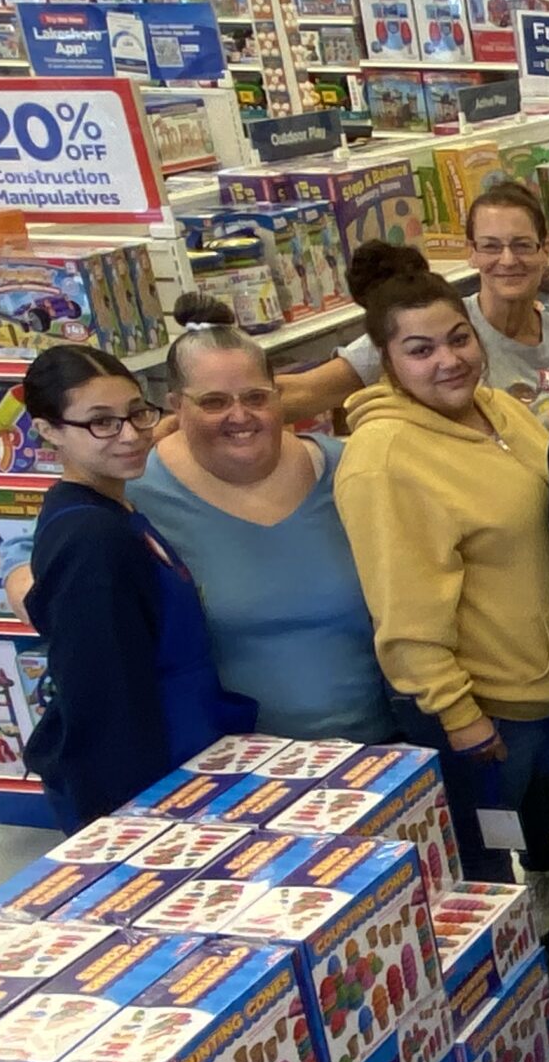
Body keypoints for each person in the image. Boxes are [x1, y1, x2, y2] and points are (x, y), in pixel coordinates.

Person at [334, 257, 549, 1019]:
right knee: (482, 865)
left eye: (458, 338)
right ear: (384, 361)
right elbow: (404, 611)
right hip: (483, 711)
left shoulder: (496, 410)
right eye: (420, 350)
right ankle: (497, 1010)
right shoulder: (383, 462)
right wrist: (457, 712)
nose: (448, 359)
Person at [131, 299, 392, 743]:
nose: (240, 416)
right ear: (176, 405)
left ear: (279, 395)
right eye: (214, 402)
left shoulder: (347, 471)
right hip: (231, 773)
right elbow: (54, 566)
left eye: (256, 397)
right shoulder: (140, 496)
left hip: (380, 753)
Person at [20, 345, 250, 828]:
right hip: (150, 784)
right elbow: (103, 701)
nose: (129, 436)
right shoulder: (91, 539)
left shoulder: (115, 509)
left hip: (190, 755)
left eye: (136, 414)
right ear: (48, 431)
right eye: (101, 422)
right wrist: (129, 824)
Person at [277, 184, 549, 427]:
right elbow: (302, 393)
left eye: (522, 245)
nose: (507, 260)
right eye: (491, 246)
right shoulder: (430, 327)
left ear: (545, 251)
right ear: (472, 252)